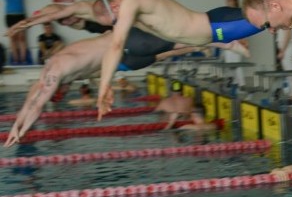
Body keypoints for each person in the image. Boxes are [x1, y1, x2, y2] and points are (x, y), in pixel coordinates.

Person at [6, 0, 263, 117]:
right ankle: (219, 44)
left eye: (68, 19)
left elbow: (54, 14)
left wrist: (24, 24)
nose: (68, 23)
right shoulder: (88, 26)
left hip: (124, 46)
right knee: (164, 46)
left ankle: (221, 44)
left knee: (168, 40)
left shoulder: (83, 9)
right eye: (66, 24)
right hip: (124, 58)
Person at [3, 30, 209, 146]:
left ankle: (206, 39)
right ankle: (202, 44)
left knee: (168, 43)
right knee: (163, 53)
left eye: (60, 94)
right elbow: (29, 103)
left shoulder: (55, 73)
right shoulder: (55, 75)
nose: (65, 92)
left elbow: (37, 105)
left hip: (124, 42)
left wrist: (22, 130)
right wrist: (17, 126)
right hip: (120, 51)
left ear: (57, 89)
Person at [2, 0, 33, 64]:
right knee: (12, 38)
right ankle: (15, 60)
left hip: (20, 15)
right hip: (10, 16)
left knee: (21, 38)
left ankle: (23, 60)